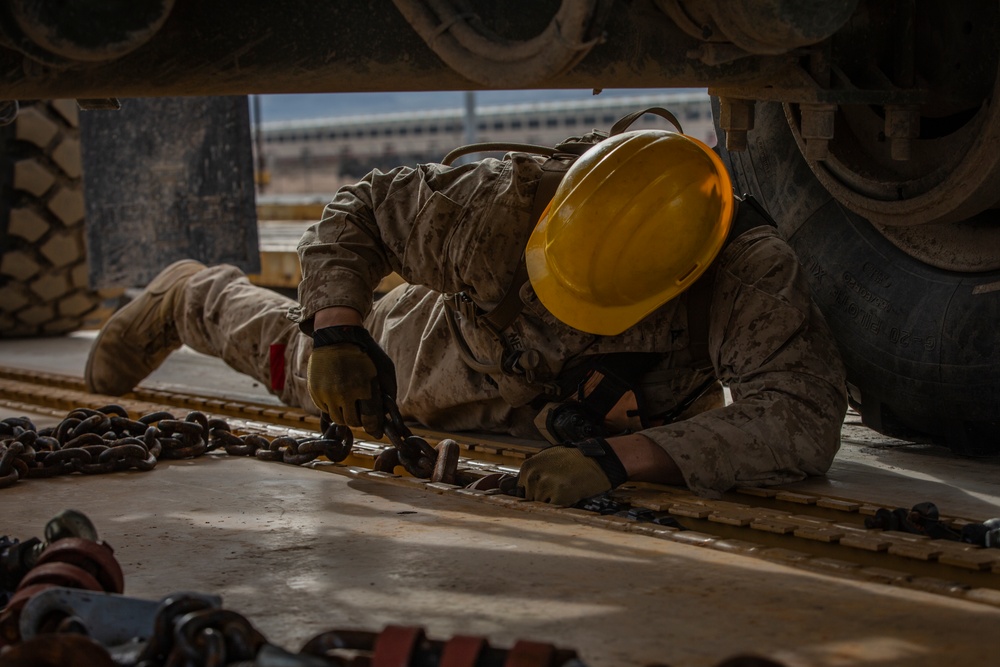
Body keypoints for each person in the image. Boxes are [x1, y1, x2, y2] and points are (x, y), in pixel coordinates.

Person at [85, 128, 847, 505]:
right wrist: (340, 330)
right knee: (297, 367)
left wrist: (624, 459)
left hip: (602, 416)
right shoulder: (498, 206)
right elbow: (361, 210)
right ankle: (189, 296)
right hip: (452, 348)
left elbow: (799, 415)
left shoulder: (749, 273)